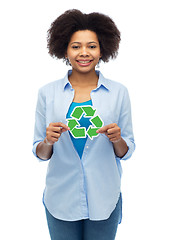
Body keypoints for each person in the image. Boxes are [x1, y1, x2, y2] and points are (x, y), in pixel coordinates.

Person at [32, 9, 135, 240]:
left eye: (92, 46)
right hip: (61, 197)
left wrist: (117, 139)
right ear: (65, 50)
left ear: (102, 50)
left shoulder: (118, 92)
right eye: (76, 46)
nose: (84, 53)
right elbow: (40, 152)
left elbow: (126, 151)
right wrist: (48, 141)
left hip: (104, 196)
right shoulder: (47, 93)